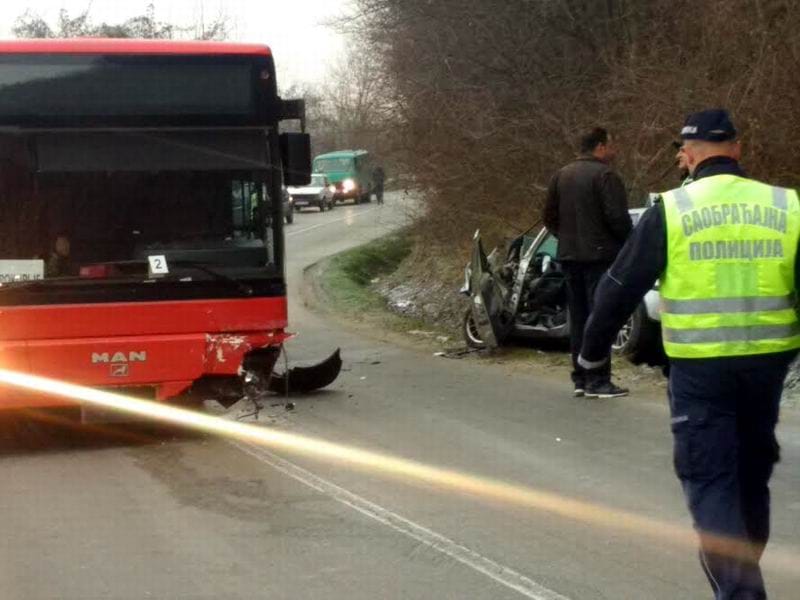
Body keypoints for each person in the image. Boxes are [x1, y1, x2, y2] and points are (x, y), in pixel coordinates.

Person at [578, 109, 799, 599]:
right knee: (750, 471)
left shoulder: (673, 209)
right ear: (737, 149)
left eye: (680, 150)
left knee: (711, 479)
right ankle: (741, 571)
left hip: (700, 370)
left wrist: (592, 355)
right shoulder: (788, 206)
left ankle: (742, 591)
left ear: (688, 154)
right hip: (767, 366)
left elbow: (618, 287)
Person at [543, 127, 633, 398]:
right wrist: (629, 244)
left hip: (569, 257)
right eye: (611, 144)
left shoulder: (561, 175)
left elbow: (549, 217)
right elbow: (618, 219)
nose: (614, 150)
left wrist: (567, 238)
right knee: (601, 318)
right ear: (600, 147)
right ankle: (599, 380)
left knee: (579, 319)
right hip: (600, 258)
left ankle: (580, 378)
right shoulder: (606, 175)